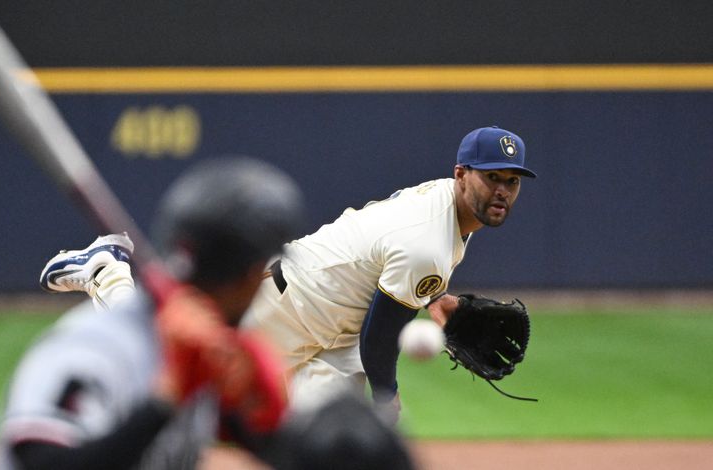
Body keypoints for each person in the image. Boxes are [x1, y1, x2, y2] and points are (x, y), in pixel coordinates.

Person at [38, 125, 536, 424]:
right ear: (461, 174)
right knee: (166, 366)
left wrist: (437, 302)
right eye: (492, 176)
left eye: (511, 181)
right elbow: (379, 336)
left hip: (328, 322)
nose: (503, 190)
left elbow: (386, 260)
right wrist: (388, 397)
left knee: (325, 443)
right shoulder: (430, 240)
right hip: (287, 310)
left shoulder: (443, 209)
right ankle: (106, 270)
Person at [0, 155, 311, 470]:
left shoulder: (203, 345)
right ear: (251, 276)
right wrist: (165, 400)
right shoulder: (93, 346)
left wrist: (260, 415)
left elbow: (280, 452)